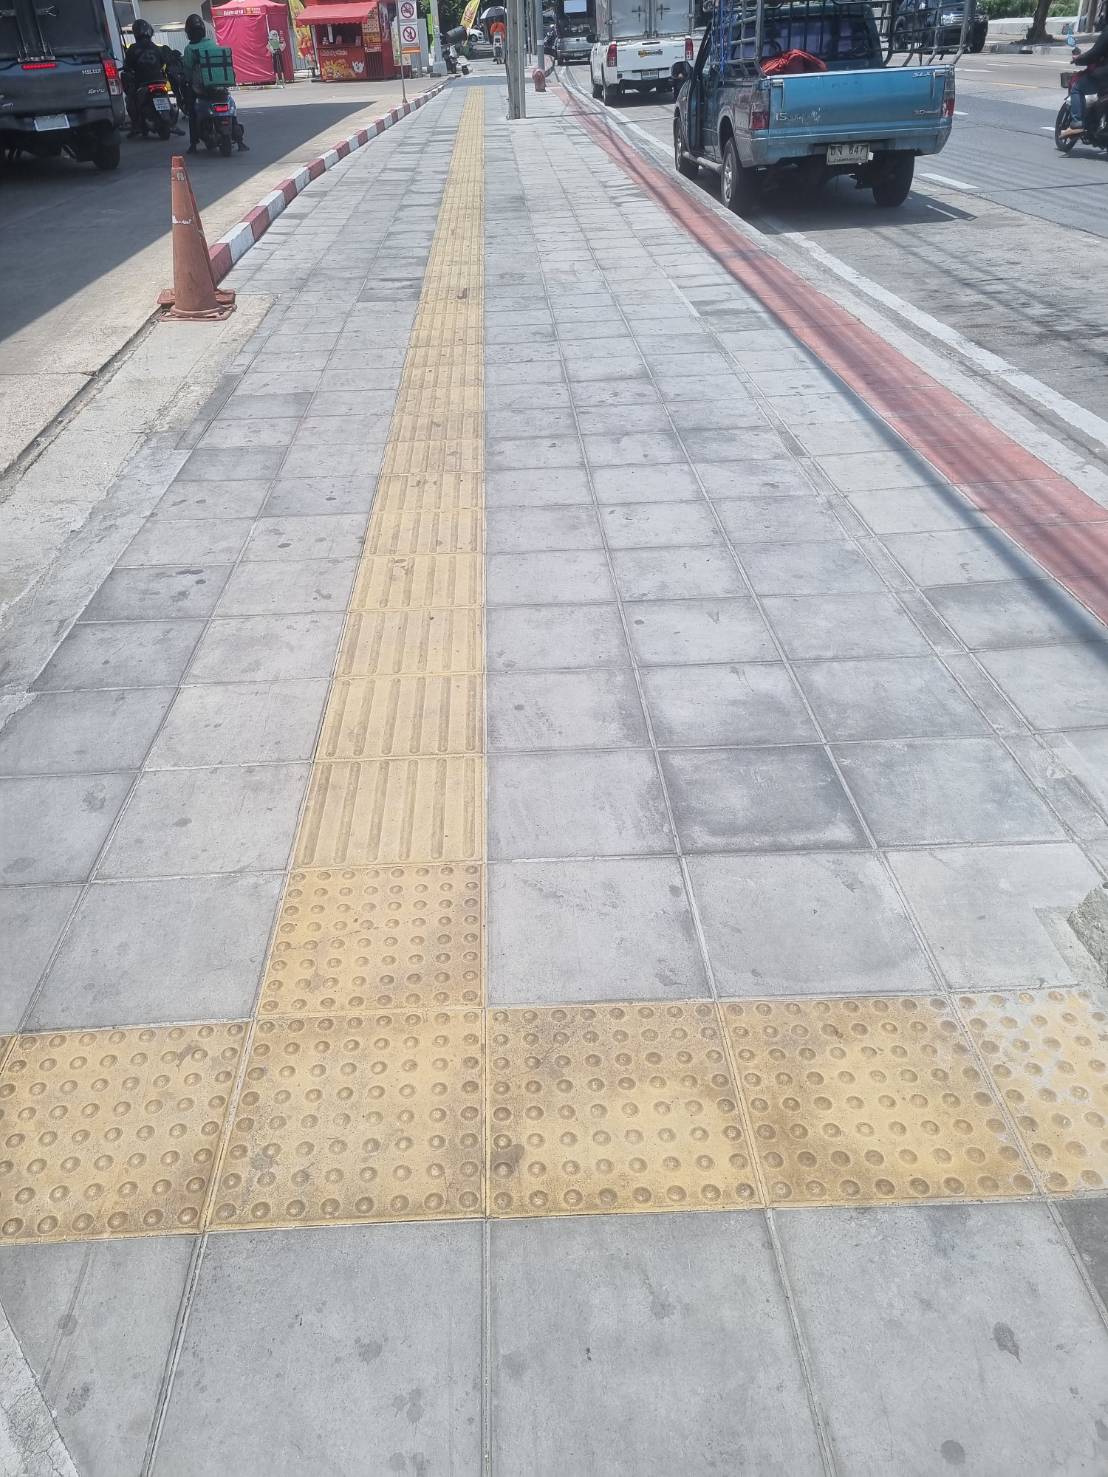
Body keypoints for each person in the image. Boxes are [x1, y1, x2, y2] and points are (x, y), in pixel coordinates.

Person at [181, 13, 249, 152]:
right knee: (231, 109)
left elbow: (187, 70)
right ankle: (240, 142)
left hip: (201, 88)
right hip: (221, 86)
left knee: (192, 111)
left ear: (189, 32)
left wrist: (186, 80)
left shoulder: (189, 49)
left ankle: (193, 145)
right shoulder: (212, 43)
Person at [121, 18, 170, 137]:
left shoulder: (132, 49)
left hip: (142, 82)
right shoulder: (156, 47)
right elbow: (163, 62)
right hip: (159, 80)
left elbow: (127, 67)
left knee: (130, 99)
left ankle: (136, 125)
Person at [1061, 18, 1108, 137]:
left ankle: (1077, 124)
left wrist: (1079, 59)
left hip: (1104, 77)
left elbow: (1095, 53)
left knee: (1077, 88)